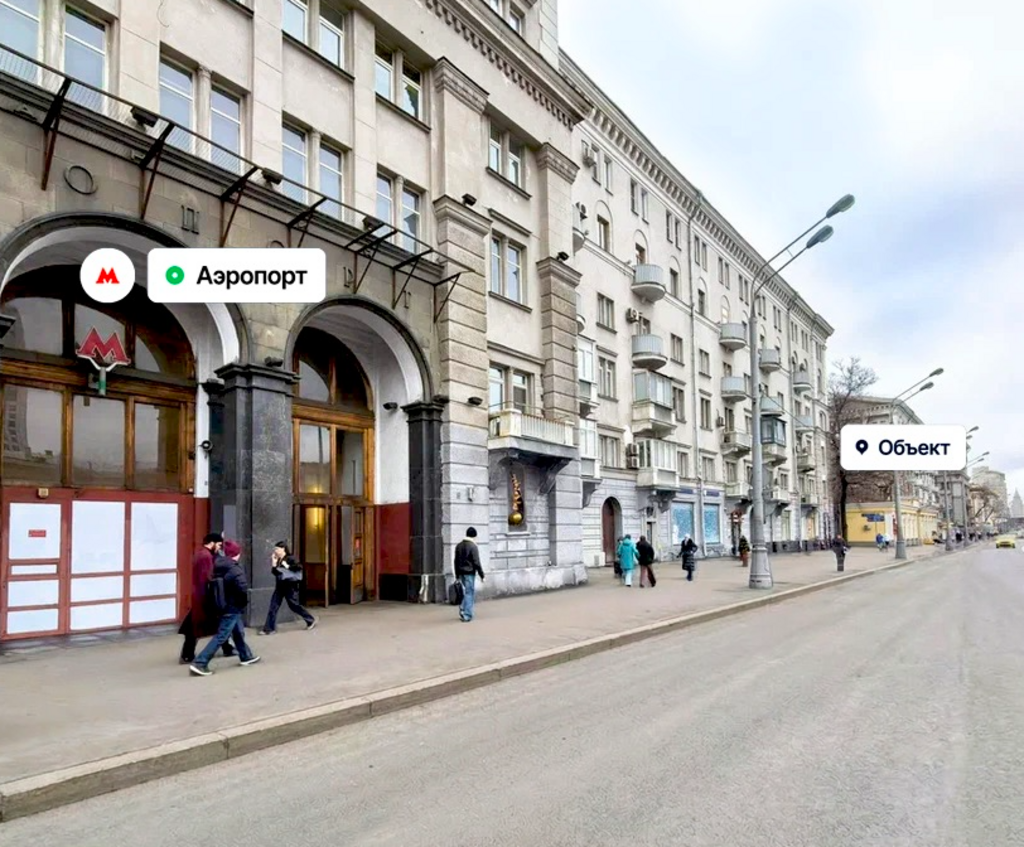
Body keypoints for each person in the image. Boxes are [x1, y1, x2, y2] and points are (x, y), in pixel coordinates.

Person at [189, 540, 260, 676]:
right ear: (237, 554)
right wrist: (242, 602)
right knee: (222, 635)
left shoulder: (217, 565)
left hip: (222, 604)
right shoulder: (235, 568)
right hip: (233, 605)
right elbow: (242, 588)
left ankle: (246, 656)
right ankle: (200, 662)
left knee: (237, 631)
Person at [178, 532, 234, 664]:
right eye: (218, 545)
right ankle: (189, 655)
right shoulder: (206, 556)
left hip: (200, 596)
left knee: (197, 627)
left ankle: (188, 654)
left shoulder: (201, 554)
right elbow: (207, 578)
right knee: (218, 625)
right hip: (204, 597)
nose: (219, 548)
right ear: (212, 543)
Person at [259, 540, 317, 635]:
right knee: (273, 607)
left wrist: (286, 565)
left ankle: (310, 620)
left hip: (290, 587)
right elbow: (276, 573)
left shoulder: (290, 558)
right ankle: (269, 629)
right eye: (275, 549)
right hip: (280, 587)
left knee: (294, 606)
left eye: (277, 549)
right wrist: (274, 564)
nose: (275, 551)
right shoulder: (278, 560)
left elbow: (298, 567)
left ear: (283, 549)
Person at [454, 527, 485, 622]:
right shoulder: (473, 546)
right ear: (474, 536)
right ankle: (467, 615)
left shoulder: (459, 546)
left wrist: (457, 575)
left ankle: (463, 609)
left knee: (465, 593)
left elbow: (456, 561)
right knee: (469, 593)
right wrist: (482, 575)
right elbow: (476, 562)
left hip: (461, 573)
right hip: (469, 573)